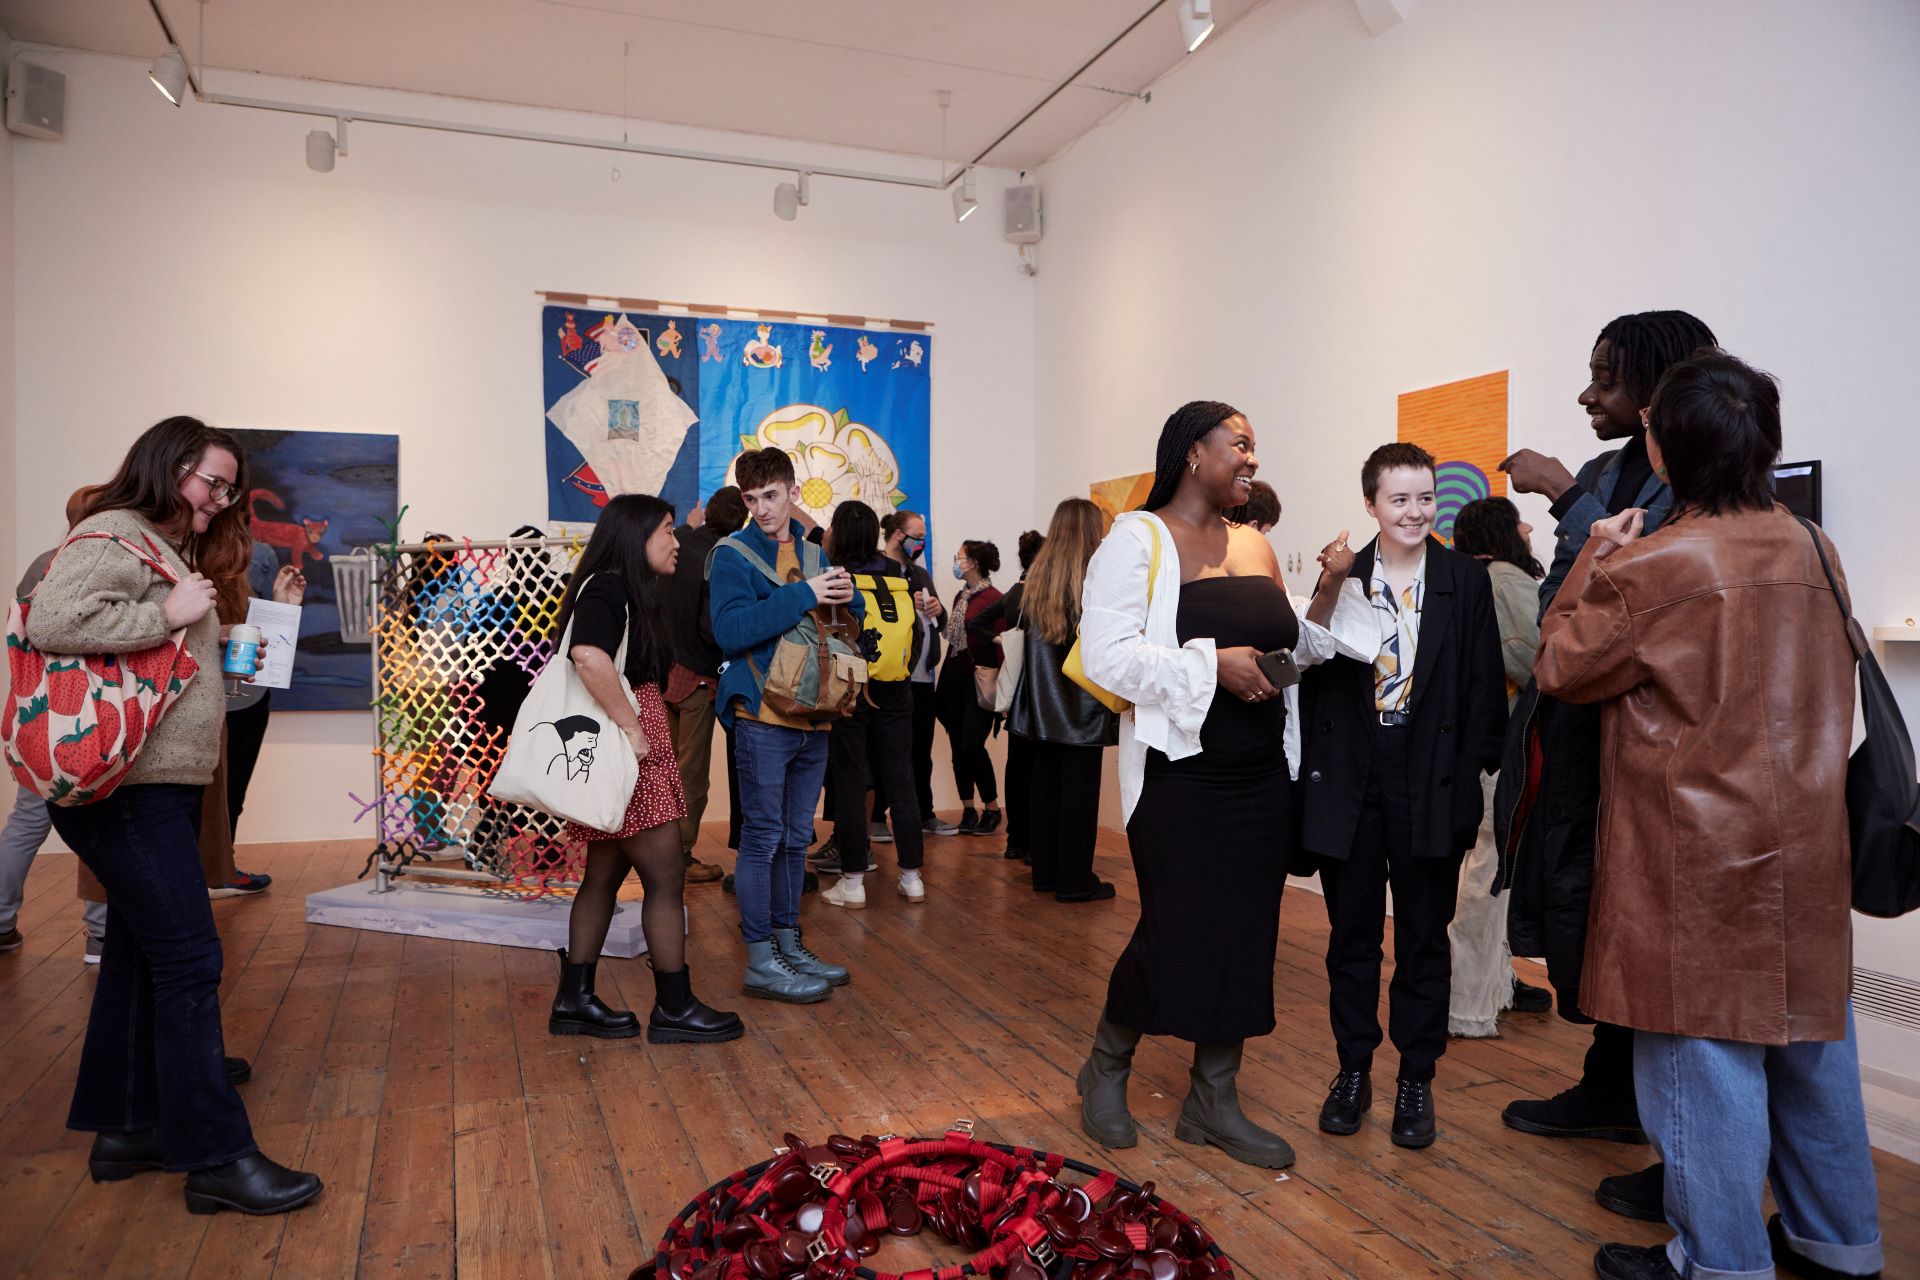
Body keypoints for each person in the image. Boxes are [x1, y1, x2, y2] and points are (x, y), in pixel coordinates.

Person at [1536, 350, 1884, 1280]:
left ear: (1664, 447)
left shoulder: (1656, 564)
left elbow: (1561, 666)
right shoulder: (1814, 547)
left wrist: (1597, 555)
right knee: (1814, 1056)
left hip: (1693, 858)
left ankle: (1720, 1263)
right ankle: (1840, 1249)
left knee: (1703, 1069)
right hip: (1808, 850)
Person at [29, 416, 320, 1215]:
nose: (219, 498)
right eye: (210, 481)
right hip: (128, 791)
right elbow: (51, 619)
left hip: (154, 785)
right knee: (190, 962)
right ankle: (216, 1156)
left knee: (137, 956)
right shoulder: (112, 531)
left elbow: (186, 666)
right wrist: (164, 615)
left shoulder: (165, 549)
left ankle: (127, 1129)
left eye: (230, 487)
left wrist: (235, 636)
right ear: (168, 466)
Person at [1074, 400, 1364, 1171]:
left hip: (1260, 775)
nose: (1251, 459)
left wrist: (1329, 592)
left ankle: (1213, 1098)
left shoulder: (1255, 546)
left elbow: (1290, 655)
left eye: (1253, 447)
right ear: (1192, 453)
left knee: (1244, 935)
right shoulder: (1137, 540)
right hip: (1180, 777)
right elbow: (1106, 657)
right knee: (1172, 929)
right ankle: (1105, 1065)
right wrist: (1213, 666)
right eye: (1239, 444)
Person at [1496, 310, 1717, 1220]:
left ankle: (1672, 1140)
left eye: (1606, 379)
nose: (1588, 393)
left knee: (1635, 916)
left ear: (1662, 388)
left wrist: (1559, 497)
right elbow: (1565, 600)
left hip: (1647, 739)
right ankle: (1611, 1085)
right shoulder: (1607, 472)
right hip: (1577, 724)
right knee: (1584, 904)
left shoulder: (1700, 484)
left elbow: (1648, 586)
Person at [1297, 443, 1506, 1150]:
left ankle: (1417, 1078)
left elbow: (1481, 686)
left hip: (1432, 775)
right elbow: (1310, 672)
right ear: (1370, 506)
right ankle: (1352, 1070)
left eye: (1425, 498)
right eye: (1399, 500)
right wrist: (1326, 589)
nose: (1415, 512)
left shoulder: (1462, 581)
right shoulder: (1343, 576)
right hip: (1355, 776)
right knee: (1351, 939)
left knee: (1423, 940)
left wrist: (1475, 776)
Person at [545, 494, 742, 1045]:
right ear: (635, 536)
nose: (676, 541)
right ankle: (674, 1007)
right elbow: (588, 655)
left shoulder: (618, 587)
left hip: (625, 742)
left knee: (604, 876)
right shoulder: (610, 587)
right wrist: (634, 729)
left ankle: (575, 998)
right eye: (666, 530)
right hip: (629, 745)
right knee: (664, 876)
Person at [709, 447, 860, 1003]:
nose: (762, 509)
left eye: (771, 496)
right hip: (762, 714)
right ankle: (759, 959)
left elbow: (845, 628)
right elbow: (729, 632)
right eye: (751, 499)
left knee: (797, 838)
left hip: (815, 712)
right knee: (763, 837)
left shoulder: (817, 552)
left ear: (793, 493)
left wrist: (849, 601)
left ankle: (788, 943)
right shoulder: (732, 554)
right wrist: (803, 594)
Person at [1442, 497, 1550, 1036]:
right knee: (1491, 872)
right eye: (1518, 520)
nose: (1529, 527)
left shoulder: (1463, 578)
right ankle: (1467, 1004)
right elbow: (1541, 661)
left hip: (1468, 748)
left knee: (1483, 870)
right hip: (1503, 749)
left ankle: (1492, 985)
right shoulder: (1507, 580)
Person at [0, 488, 115, 962]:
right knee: (100, 818)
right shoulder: (98, 566)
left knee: (27, 820)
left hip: (36, 710)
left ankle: (1, 920)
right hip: (88, 712)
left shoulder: (41, 563)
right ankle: (102, 931)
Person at [818, 501, 928, 910]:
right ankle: (913, 877)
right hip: (896, 689)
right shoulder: (897, 576)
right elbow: (915, 638)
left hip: (850, 687)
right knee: (901, 780)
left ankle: (853, 882)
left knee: (851, 781)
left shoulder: (834, 578)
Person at [1005, 500, 1116, 900]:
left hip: (1040, 704)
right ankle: (1074, 880)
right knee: (1079, 795)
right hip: (1083, 706)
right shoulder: (1096, 575)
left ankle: (1046, 873)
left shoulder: (1038, 576)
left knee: (1045, 787)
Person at [197, 537, 306, 899]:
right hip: (225, 697)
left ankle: (216, 871)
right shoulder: (257, 553)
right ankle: (217, 871)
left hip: (228, 695)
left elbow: (266, 638)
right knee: (224, 793)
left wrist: (279, 604)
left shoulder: (255, 554)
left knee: (214, 795)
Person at [659, 486, 747, 886]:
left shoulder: (677, 544)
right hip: (698, 678)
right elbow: (713, 630)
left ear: (706, 512)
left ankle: (659, 853)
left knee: (663, 770)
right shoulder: (720, 558)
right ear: (742, 522)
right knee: (691, 775)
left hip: (663, 674)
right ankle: (678, 858)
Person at [870, 510, 948, 838]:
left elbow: (940, 624)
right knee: (882, 751)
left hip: (921, 678)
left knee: (920, 751)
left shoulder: (919, 574)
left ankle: (924, 813)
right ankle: (875, 816)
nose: (921, 543)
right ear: (898, 535)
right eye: (918, 536)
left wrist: (938, 610)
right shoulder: (874, 568)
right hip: (885, 676)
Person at [971, 529, 1043, 860]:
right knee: (1038, 768)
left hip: (1015, 691)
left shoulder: (1014, 592)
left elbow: (977, 624)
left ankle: (1017, 840)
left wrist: (1000, 639)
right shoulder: (1045, 594)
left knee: (1018, 767)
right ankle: (1033, 843)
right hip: (1042, 692)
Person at [934, 540, 1002, 835]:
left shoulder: (994, 599)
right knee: (956, 747)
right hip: (954, 678)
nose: (956, 562)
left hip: (979, 679)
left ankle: (993, 808)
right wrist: (938, 615)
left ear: (973, 562)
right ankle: (968, 808)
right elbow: (953, 636)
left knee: (972, 744)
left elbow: (1001, 645)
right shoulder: (962, 595)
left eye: (959, 557)